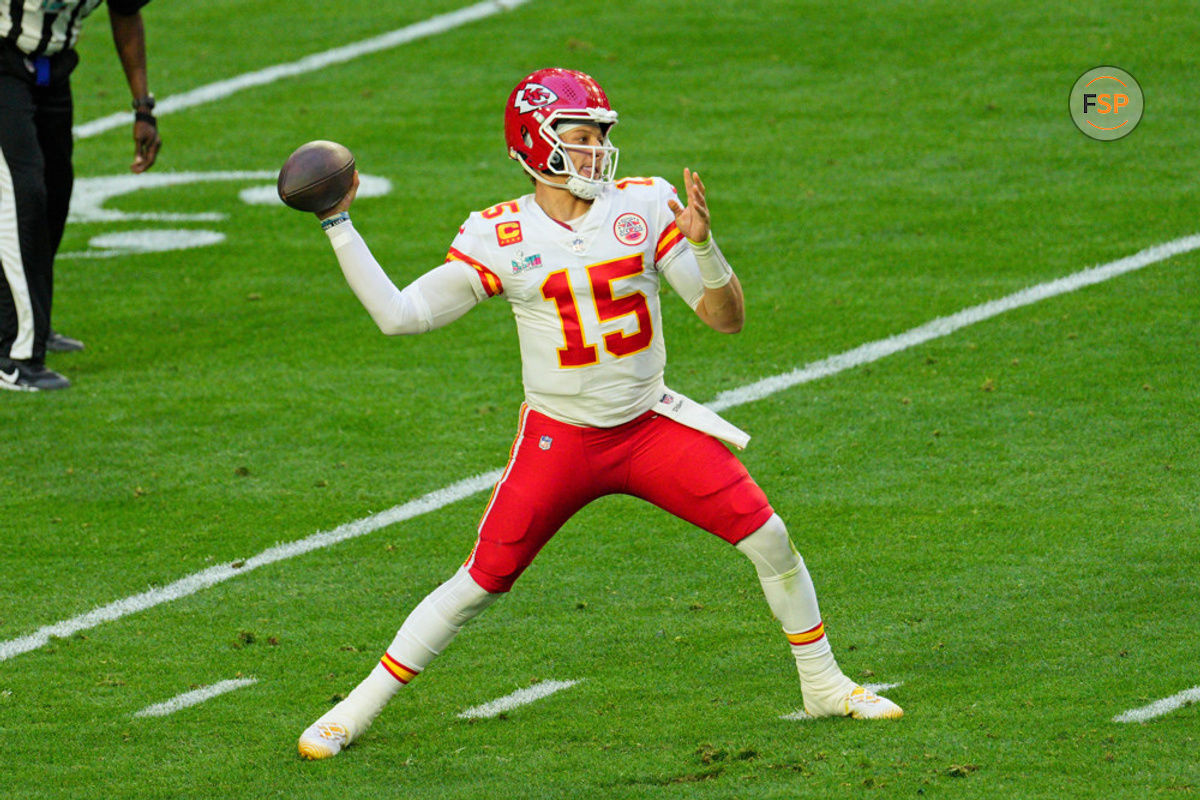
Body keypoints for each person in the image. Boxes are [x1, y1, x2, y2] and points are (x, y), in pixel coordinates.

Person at [297, 68, 901, 760]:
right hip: (560, 440)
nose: (593, 152)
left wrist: (704, 247)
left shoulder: (643, 205)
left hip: (649, 428)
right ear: (533, 144)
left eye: (596, 137)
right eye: (577, 138)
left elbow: (725, 319)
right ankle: (356, 708)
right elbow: (399, 317)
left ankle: (823, 684)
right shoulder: (499, 232)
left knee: (770, 536)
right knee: (480, 582)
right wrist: (338, 223)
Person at [0, 0, 161, 392]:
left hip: (51, 71)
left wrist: (143, 108)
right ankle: (14, 356)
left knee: (55, 195)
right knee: (23, 196)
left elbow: (125, 12)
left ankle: (32, 321)